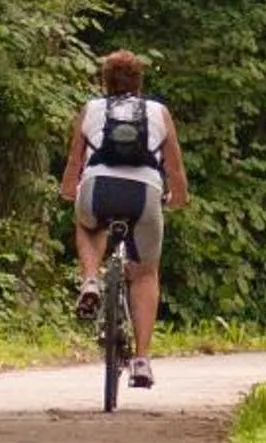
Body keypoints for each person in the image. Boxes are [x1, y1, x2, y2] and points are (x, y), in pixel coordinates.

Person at [59, 49, 188, 390]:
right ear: (139, 82)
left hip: (98, 186)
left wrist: (69, 192)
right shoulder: (159, 112)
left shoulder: (92, 109)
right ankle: (142, 361)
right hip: (145, 192)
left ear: (105, 81)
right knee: (145, 272)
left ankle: (89, 279)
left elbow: (75, 164)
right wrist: (179, 199)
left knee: (88, 224)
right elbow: (175, 169)